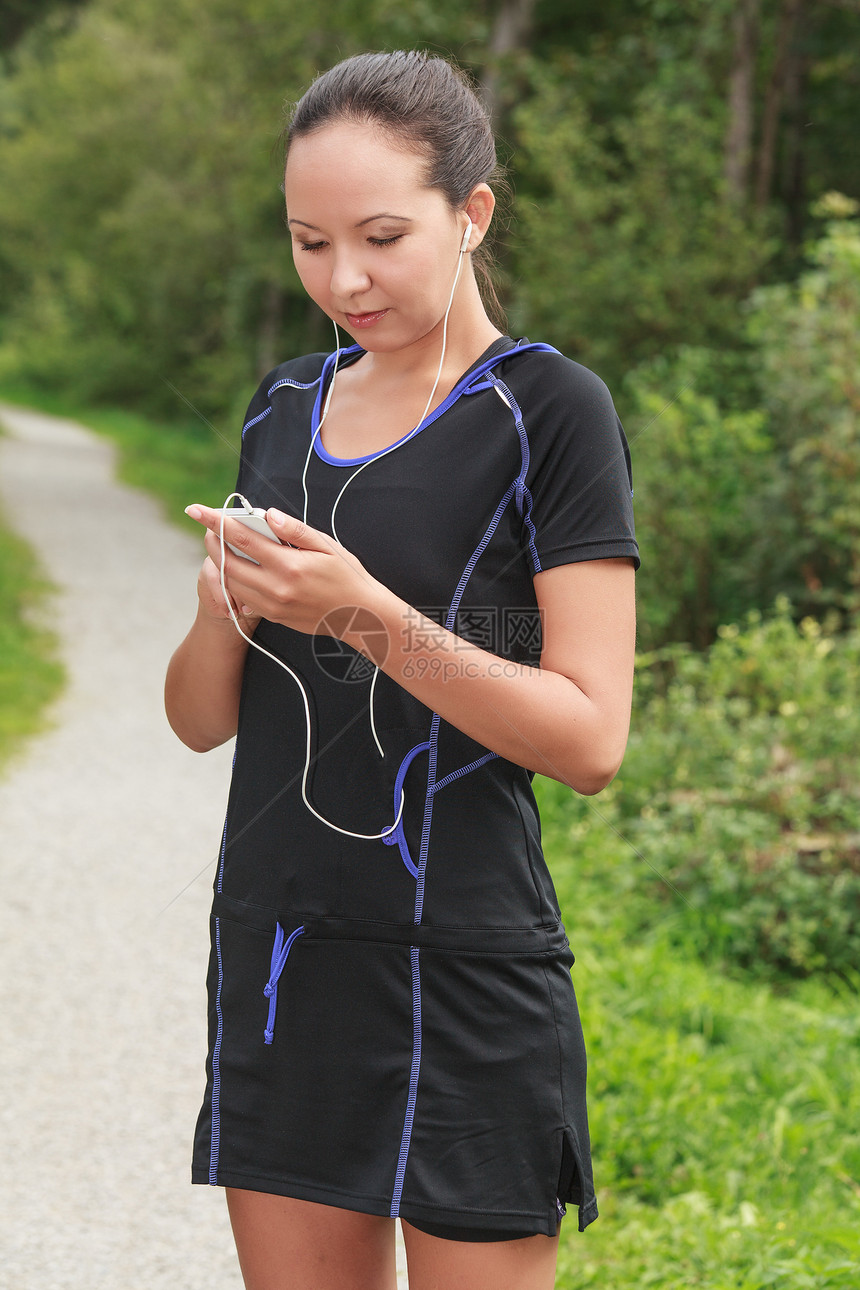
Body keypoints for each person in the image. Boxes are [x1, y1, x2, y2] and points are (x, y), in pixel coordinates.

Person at [165, 49, 638, 1290]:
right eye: (307, 243)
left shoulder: (550, 412)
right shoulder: (280, 406)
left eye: (379, 235)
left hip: (467, 973)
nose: (344, 278)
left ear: (470, 213)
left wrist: (361, 614)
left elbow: (588, 740)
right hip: (281, 961)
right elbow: (200, 720)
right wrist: (226, 605)